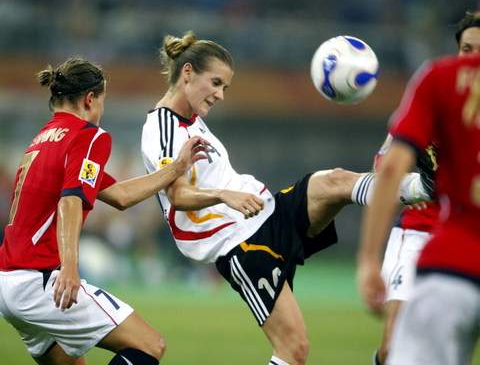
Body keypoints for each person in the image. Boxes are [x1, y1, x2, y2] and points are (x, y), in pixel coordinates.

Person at [141, 31, 431, 365]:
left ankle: (425, 188)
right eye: (216, 83)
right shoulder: (161, 127)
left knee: (333, 181)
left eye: (225, 87)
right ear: (188, 72)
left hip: (266, 215)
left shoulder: (193, 121)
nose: (220, 95)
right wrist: (224, 195)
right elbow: (177, 195)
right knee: (294, 350)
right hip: (239, 245)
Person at [0, 58, 208, 365]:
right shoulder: (88, 135)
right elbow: (70, 200)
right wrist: (70, 267)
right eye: (102, 101)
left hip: (8, 284)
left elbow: (121, 195)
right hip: (42, 280)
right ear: (90, 99)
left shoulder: (42, 140)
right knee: (150, 346)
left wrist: (177, 167)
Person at [357, 45, 480, 365]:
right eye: (467, 47)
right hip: (426, 233)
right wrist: (422, 185)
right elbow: (385, 169)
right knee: (391, 348)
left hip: (456, 254)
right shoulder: (438, 86)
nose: (472, 54)